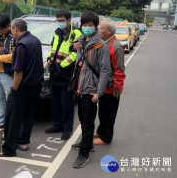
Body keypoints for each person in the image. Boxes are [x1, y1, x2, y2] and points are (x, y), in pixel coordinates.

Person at [70, 11, 111, 168]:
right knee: (82, 119)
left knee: (87, 124)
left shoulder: (102, 46)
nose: (87, 27)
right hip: (79, 89)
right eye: (85, 24)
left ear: (96, 27)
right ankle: (86, 144)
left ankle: (84, 153)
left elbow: (105, 70)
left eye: (90, 25)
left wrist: (98, 92)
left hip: (90, 91)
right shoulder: (80, 42)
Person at [0, 18, 44, 157]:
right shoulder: (35, 40)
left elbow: (18, 71)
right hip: (35, 85)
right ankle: (23, 141)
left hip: (22, 87)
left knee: (13, 117)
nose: (11, 32)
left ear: (16, 29)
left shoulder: (21, 45)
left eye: (12, 29)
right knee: (28, 115)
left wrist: (14, 89)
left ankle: (9, 150)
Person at [45, 9, 82, 140]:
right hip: (55, 71)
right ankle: (57, 124)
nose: (60, 23)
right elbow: (52, 48)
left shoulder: (76, 33)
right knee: (54, 101)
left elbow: (75, 54)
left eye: (62, 21)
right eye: (58, 21)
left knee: (66, 102)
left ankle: (67, 128)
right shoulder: (57, 32)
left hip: (67, 73)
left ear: (69, 20)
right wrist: (49, 60)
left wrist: (62, 65)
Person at [93, 19, 126, 145]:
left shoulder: (116, 46)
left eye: (101, 29)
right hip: (102, 86)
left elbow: (119, 69)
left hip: (111, 87)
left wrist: (117, 87)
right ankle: (101, 131)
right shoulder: (104, 43)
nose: (99, 30)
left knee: (109, 113)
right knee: (102, 111)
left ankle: (106, 137)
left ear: (109, 31)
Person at [0, 13, 15, 129]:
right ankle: (0, 121)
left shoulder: (14, 38)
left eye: (1, 29)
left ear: (8, 26)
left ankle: (10, 124)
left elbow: (13, 57)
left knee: (10, 100)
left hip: (8, 73)